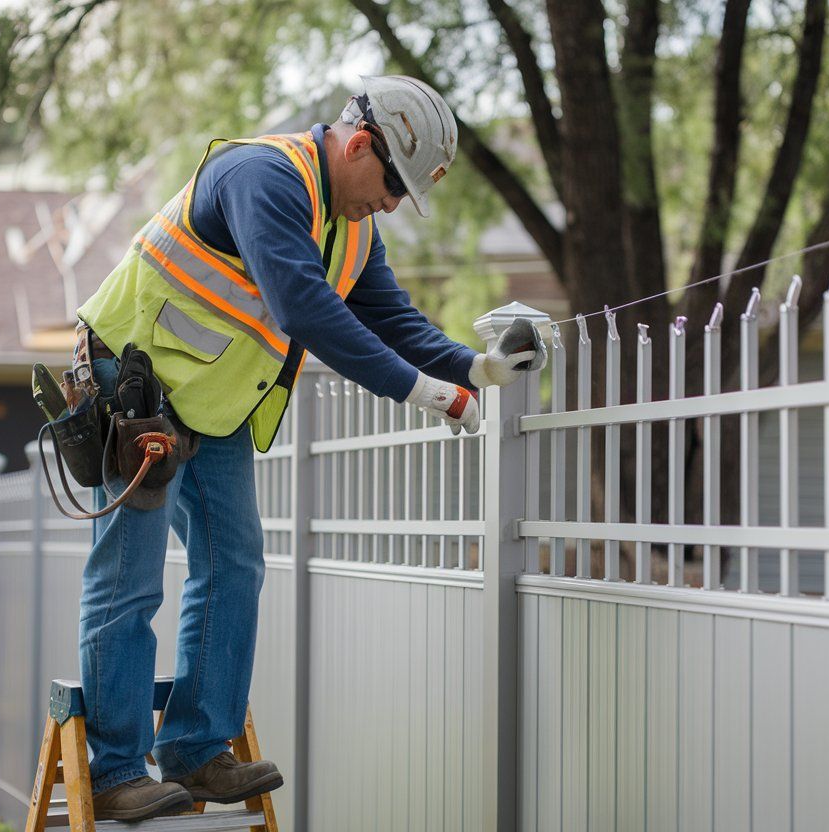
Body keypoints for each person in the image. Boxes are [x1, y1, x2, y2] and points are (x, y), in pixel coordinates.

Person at [70, 75, 540, 821]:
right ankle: (118, 770)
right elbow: (305, 309)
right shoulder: (263, 177)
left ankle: (196, 753)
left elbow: (395, 320)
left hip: (211, 403)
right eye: (393, 187)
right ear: (360, 145)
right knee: (131, 576)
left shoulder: (353, 226)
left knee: (236, 564)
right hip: (131, 385)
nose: (390, 205)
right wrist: (427, 395)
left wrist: (475, 369)